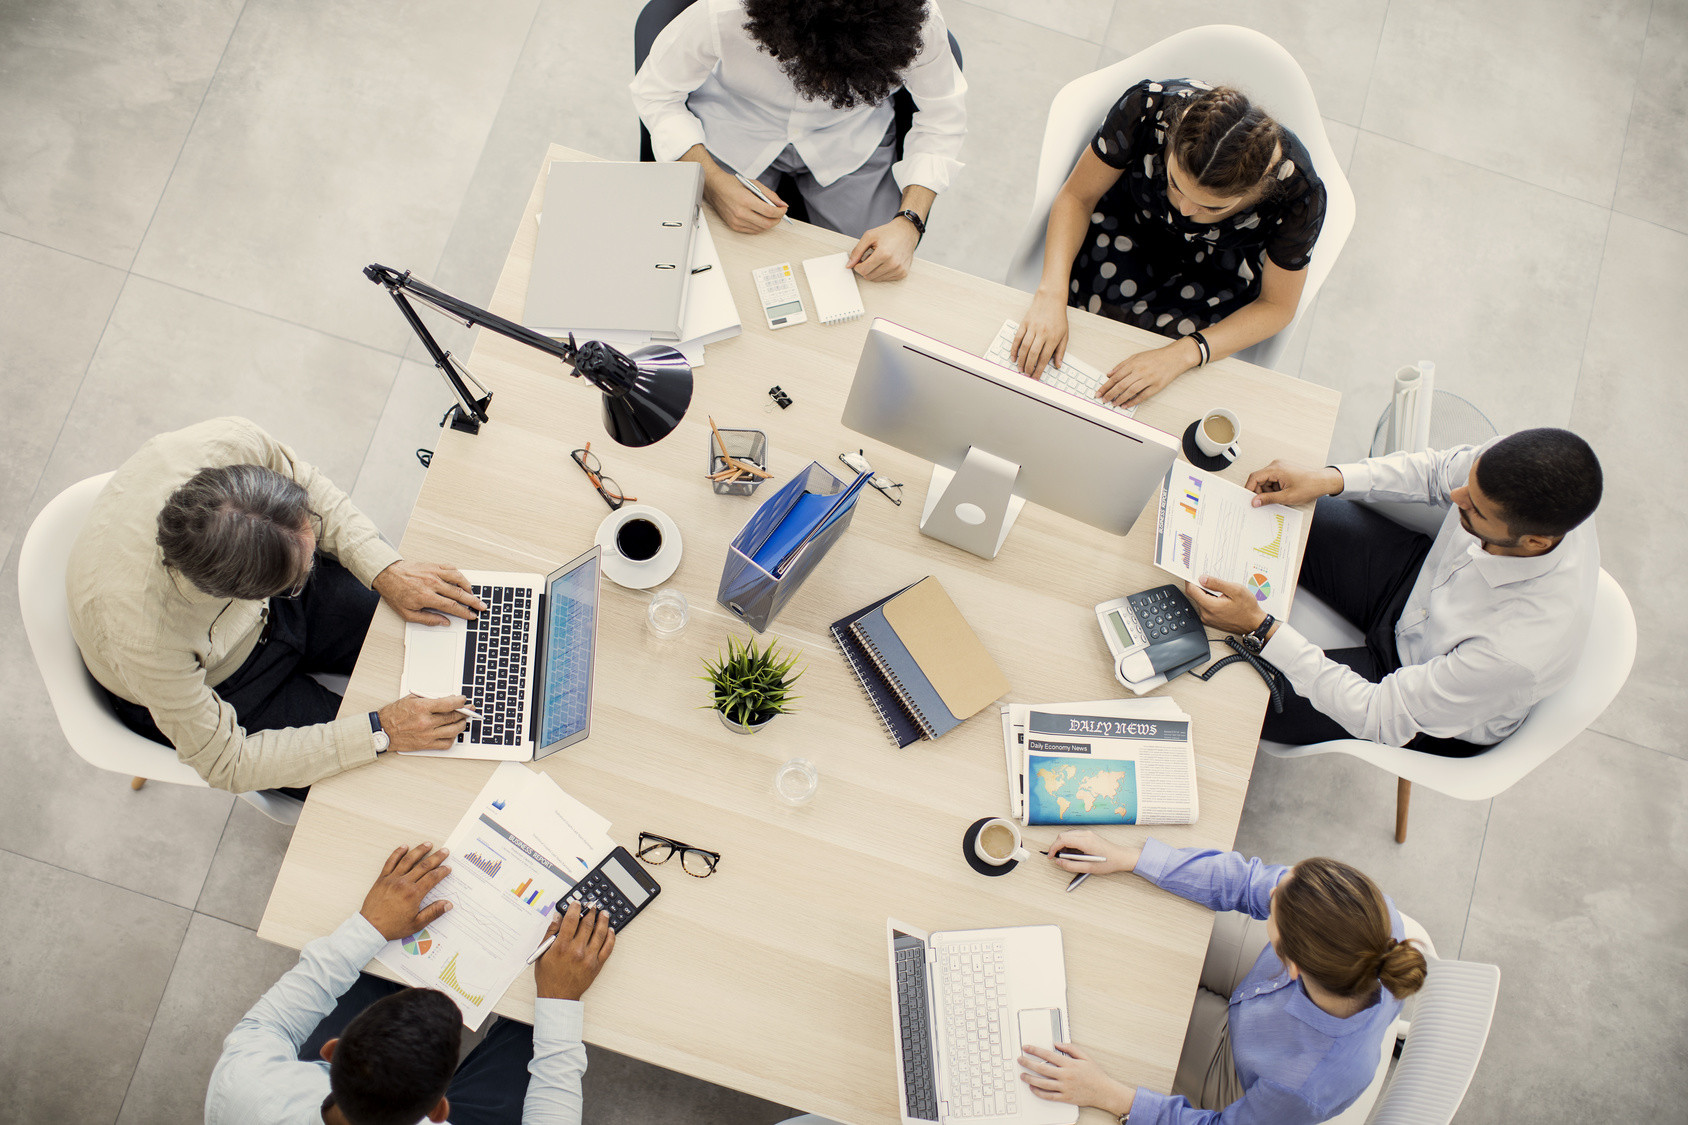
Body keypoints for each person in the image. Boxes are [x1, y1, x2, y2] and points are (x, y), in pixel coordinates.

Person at [66, 417, 486, 794]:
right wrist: (383, 730)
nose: (318, 562)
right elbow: (228, 764)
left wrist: (383, 568)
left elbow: (307, 483)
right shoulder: (146, 641)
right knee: (403, 779)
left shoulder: (230, 444)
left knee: (458, 635)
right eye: (301, 573)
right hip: (223, 687)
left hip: (274, 606)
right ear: (238, 595)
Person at [1184, 429, 1603, 755]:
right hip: (1414, 583)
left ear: (1534, 542)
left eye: (1473, 509)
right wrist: (1329, 478)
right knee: (1276, 509)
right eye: (1469, 487)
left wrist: (1264, 629)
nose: (1455, 498)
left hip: (1408, 693)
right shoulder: (1521, 471)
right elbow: (1439, 473)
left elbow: (1378, 714)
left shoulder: (1512, 653)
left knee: (1220, 693)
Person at [1019, 831, 1426, 1124]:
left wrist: (1109, 1095)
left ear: (1294, 965)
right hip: (1261, 985)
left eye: (1273, 907)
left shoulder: (1302, 1087)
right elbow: (1246, 880)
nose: (1271, 886)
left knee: (1111, 1022)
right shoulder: (1372, 916)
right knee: (1139, 932)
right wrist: (1130, 858)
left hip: (1244, 1072)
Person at [205, 841, 615, 1125]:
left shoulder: (244, 1084)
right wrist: (560, 999)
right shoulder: (242, 1082)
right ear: (439, 1110)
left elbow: (266, 1027)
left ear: (333, 1049)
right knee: (533, 1029)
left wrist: (370, 926)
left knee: (376, 960)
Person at [1013, 79, 1326, 409]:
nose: (1185, 210)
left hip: (1217, 271)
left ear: (1259, 190)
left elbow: (1277, 306)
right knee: (1083, 338)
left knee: (1166, 395)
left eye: (1214, 207)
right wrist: (1050, 294)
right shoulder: (1146, 109)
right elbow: (1078, 196)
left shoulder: (1299, 194)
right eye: (1175, 184)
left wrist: (1180, 355)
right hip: (1129, 228)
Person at [631, 0, 966, 282]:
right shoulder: (727, 8)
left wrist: (910, 222)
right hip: (733, 129)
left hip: (851, 143)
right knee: (692, 268)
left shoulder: (920, 23)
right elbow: (656, 92)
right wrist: (713, 182)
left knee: (874, 271)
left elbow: (942, 120)